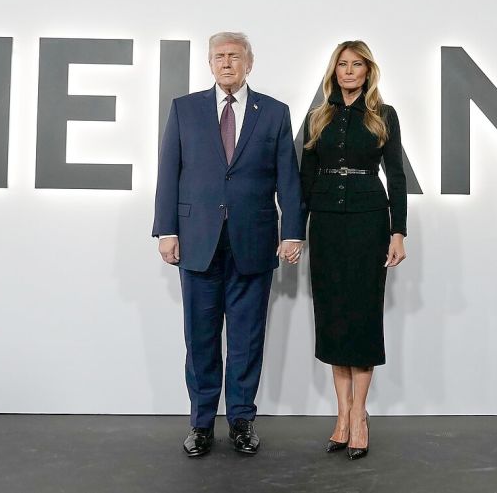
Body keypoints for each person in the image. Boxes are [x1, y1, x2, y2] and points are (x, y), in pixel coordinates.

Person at [152, 32, 305, 457]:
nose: (226, 63)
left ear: (248, 63)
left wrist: (292, 232)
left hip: (253, 242)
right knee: (200, 339)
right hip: (197, 241)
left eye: (234, 56)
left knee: (246, 339)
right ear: (209, 63)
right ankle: (201, 424)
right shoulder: (184, 109)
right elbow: (169, 171)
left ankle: (241, 421)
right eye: (218, 56)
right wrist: (166, 230)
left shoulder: (274, 112)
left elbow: (288, 177)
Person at [300, 40, 408, 460]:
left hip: (369, 220)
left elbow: (396, 175)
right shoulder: (317, 117)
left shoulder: (384, 115)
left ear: (367, 71)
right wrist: (294, 231)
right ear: (335, 71)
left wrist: (398, 231)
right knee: (333, 315)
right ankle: (341, 414)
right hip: (326, 220)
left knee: (362, 315)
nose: (348, 71)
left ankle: (359, 415)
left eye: (356, 64)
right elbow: (306, 177)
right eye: (342, 64)